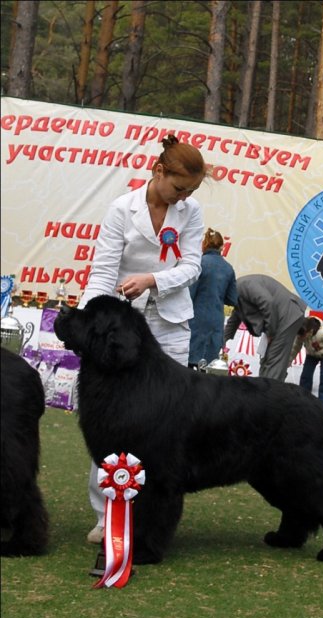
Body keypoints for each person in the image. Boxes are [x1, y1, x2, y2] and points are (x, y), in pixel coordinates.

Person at [78, 134, 207, 543]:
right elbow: (103, 270)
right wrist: (90, 320)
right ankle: (107, 514)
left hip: (169, 326)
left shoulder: (191, 212)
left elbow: (191, 268)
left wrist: (153, 279)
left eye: (190, 191)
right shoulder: (121, 209)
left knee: (164, 427)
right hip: (123, 336)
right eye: (179, 187)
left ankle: (153, 516)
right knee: (112, 424)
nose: (183, 197)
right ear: (158, 172)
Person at [224, 274, 307, 381]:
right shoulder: (238, 292)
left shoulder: (244, 286)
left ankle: (271, 394)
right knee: (267, 360)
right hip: (280, 318)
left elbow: (267, 303)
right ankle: (264, 391)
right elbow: (235, 317)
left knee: (274, 362)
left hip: (288, 316)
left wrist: (270, 333)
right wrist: (223, 339)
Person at [188, 228, 238, 368]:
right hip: (215, 322)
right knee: (210, 367)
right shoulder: (228, 268)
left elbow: (189, 295)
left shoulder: (199, 264)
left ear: (204, 244)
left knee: (190, 364)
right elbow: (233, 299)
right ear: (222, 247)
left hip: (195, 320)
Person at [290, 316, 323, 414]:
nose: (300, 338)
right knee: (305, 376)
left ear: (310, 331)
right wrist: (289, 361)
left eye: (302, 336)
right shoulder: (301, 331)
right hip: (312, 353)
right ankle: (303, 403)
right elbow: (296, 347)